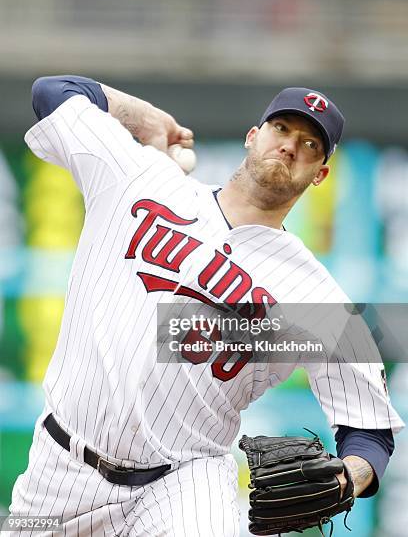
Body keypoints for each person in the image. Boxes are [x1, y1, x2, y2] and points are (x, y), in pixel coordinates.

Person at [8, 76, 404, 536]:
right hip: (59, 467)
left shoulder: (314, 296)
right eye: (281, 129)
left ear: (320, 173)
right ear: (253, 136)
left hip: (182, 482)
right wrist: (146, 117)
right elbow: (52, 94)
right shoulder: (140, 177)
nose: (291, 146)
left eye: (311, 143)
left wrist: (347, 479)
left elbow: (370, 432)